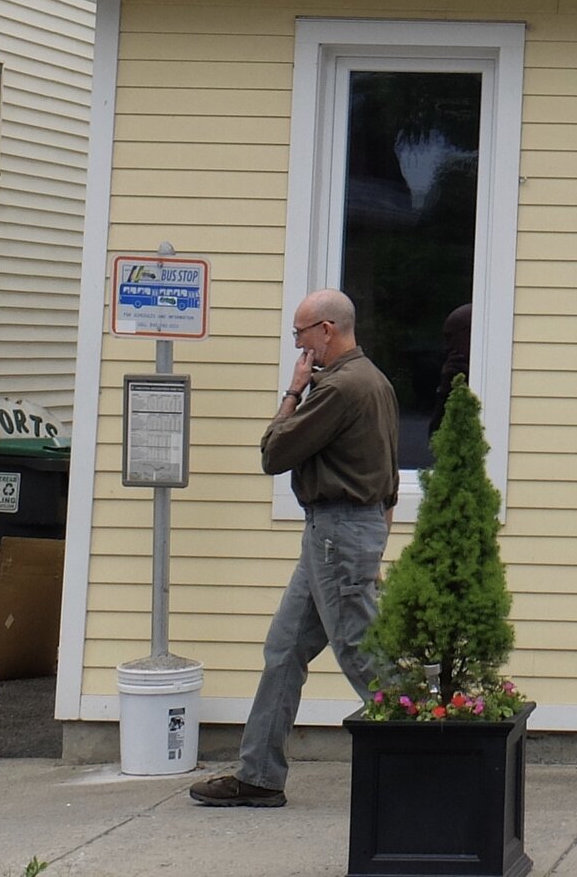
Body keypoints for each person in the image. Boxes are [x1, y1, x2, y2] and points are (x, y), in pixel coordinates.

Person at [190, 288, 400, 809]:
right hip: (345, 530)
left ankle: (426, 750)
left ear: (326, 330)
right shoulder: (376, 381)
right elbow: (390, 476)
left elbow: (274, 452)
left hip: (337, 532)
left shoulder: (339, 388)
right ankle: (259, 775)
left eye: (299, 334)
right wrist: (376, 537)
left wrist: (292, 392)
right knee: (284, 650)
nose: (297, 345)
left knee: (359, 649)